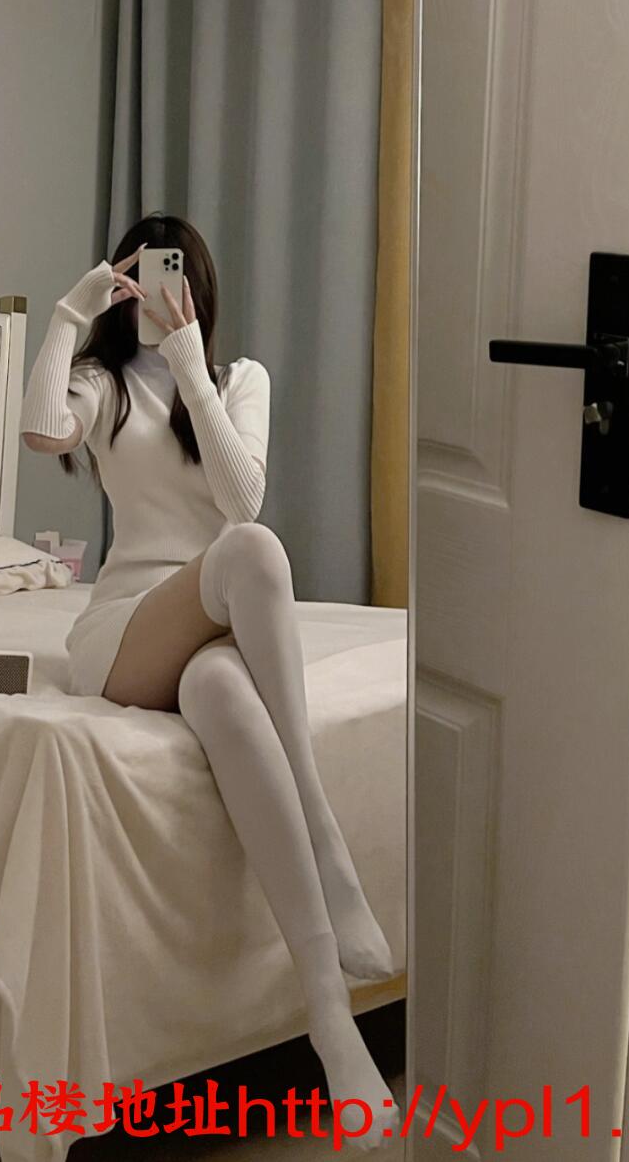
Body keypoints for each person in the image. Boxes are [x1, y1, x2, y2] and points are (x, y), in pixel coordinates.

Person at [21, 213, 398, 1146]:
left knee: (228, 690)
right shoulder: (104, 385)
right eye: (146, 272)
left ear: (199, 285)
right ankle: (323, 831)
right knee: (255, 551)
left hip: (211, 627)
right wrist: (68, 313)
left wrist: (191, 365)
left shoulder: (239, 381)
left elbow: (241, 491)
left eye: (176, 272)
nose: (161, 286)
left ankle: (328, 1016)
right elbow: (40, 429)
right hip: (127, 629)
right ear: (124, 282)